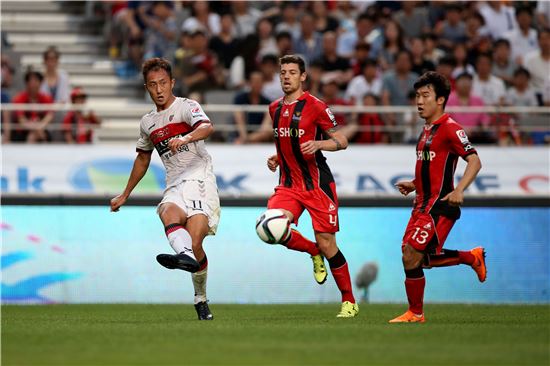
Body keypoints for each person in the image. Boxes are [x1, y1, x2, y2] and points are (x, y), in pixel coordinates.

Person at [110, 58, 220, 321]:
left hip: (199, 179)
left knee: (196, 244)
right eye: (152, 85)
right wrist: (125, 194)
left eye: (162, 83)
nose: (158, 90)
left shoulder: (186, 106)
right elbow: (143, 158)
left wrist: (186, 137)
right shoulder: (147, 122)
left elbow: (207, 127)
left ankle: (200, 298)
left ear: (172, 83)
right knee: (166, 211)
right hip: (174, 183)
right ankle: (183, 256)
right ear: (146, 88)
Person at [262, 55, 359, 318]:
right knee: (269, 229)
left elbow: (341, 140)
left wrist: (319, 144)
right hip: (288, 185)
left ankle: (349, 300)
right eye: (283, 72)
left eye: (292, 72)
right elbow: (285, 141)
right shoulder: (274, 108)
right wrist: (278, 157)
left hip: (317, 185)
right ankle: (312, 251)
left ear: (303, 76)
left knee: (328, 244)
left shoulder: (316, 106)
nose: (286, 76)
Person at [389, 71, 486, 323]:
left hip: (440, 205)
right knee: (418, 259)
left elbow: (474, 161)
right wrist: (413, 184)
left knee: (411, 255)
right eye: (417, 96)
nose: (419, 101)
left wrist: (459, 190)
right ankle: (470, 257)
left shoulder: (451, 129)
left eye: (425, 95)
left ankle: (415, 313)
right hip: (421, 204)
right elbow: (432, 168)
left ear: (440, 99)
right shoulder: (426, 131)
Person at [12, 69, 54, 143]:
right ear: (26, 83)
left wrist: (39, 127)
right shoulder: (19, 98)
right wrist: (35, 128)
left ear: (41, 83)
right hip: (23, 131)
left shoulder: (47, 98)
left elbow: (49, 117)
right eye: (30, 81)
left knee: (37, 136)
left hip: (41, 129)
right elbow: (21, 120)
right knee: (32, 136)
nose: (33, 84)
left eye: (36, 80)